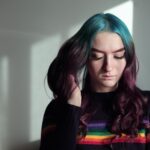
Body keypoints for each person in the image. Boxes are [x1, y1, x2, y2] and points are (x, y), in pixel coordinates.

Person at [39, 13, 150, 150]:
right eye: (97, 57)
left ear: (127, 58)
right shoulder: (57, 110)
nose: (108, 66)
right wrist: (73, 104)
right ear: (84, 57)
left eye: (117, 56)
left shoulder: (146, 106)